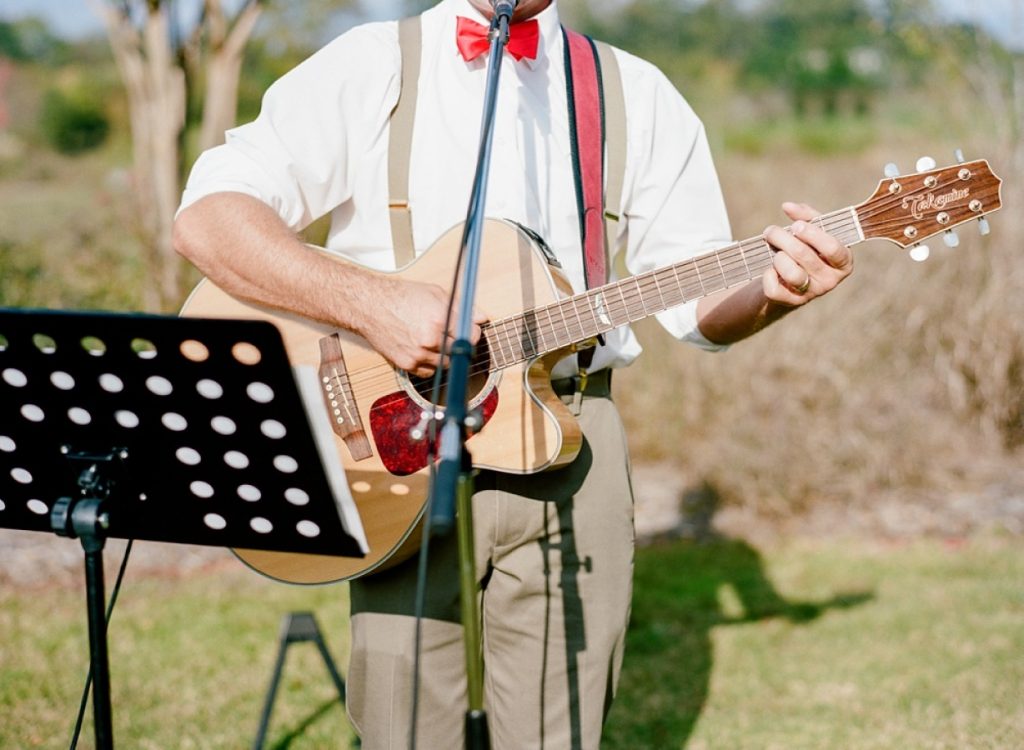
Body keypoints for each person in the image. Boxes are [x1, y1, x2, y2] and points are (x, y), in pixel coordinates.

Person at [172, 0, 853, 747]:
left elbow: (694, 302)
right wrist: (371, 304)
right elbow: (208, 217)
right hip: (387, 441)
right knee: (406, 731)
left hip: (572, 439)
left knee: (556, 734)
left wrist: (772, 293)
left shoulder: (633, 91)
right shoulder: (371, 64)